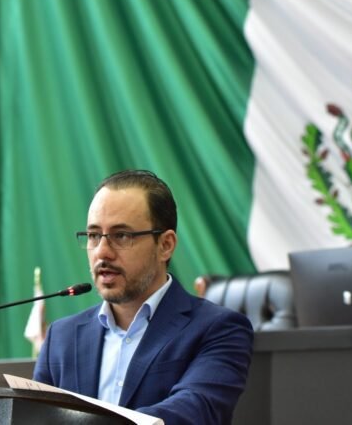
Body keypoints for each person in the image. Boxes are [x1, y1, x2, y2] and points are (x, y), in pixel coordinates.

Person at [33, 170, 254, 425]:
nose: (102, 252)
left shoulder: (218, 329)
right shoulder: (61, 337)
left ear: (165, 245)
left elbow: (193, 411)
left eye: (121, 235)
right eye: (93, 235)